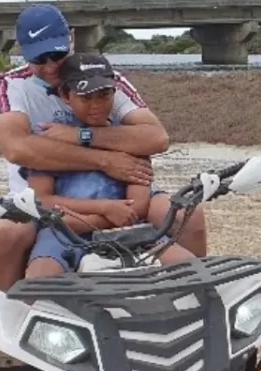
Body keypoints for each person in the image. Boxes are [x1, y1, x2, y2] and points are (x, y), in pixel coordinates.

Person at [0, 3, 206, 300]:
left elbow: (155, 137)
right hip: (44, 200)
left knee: (187, 214)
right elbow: (18, 148)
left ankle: (197, 302)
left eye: (57, 55)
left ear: (71, 39)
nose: (49, 67)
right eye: (38, 59)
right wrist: (105, 160)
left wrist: (82, 135)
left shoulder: (106, 77)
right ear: (20, 49)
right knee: (4, 234)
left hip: (118, 192)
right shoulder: (9, 85)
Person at [24, 53, 195, 277]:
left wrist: (98, 219)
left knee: (189, 266)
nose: (96, 106)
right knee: (39, 278)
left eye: (104, 95)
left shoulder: (130, 137)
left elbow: (138, 205)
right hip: (63, 232)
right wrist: (105, 209)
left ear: (115, 92)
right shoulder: (49, 136)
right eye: (85, 98)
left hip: (125, 229)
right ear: (66, 95)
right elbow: (42, 200)